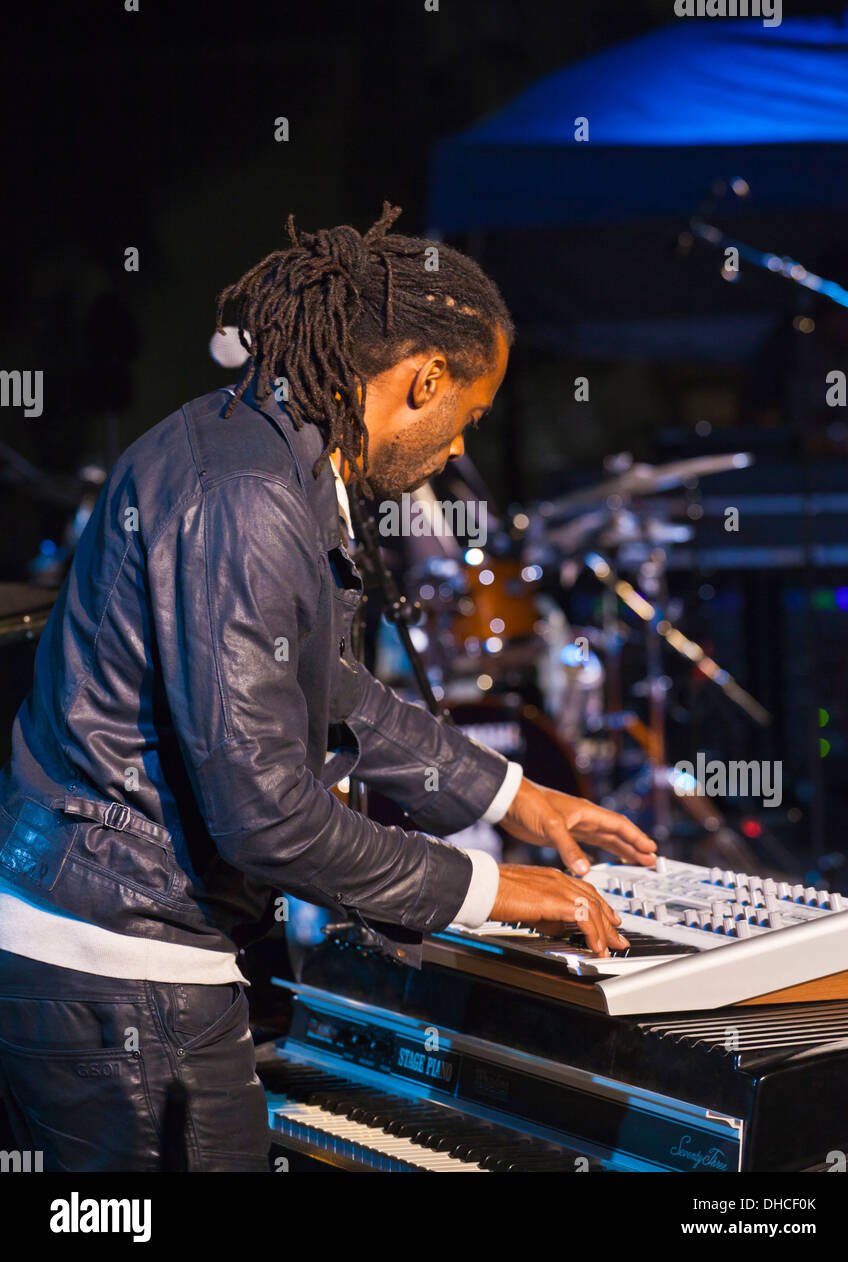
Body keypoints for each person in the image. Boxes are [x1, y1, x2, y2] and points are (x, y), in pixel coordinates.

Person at [0, 203, 655, 1171]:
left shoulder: (265, 450)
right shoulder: (248, 496)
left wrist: (514, 798)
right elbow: (265, 816)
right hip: (123, 985)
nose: (453, 454)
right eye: (463, 420)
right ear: (423, 379)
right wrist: (492, 888)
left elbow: (329, 690)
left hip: (114, 962)